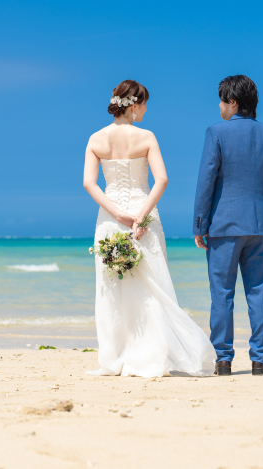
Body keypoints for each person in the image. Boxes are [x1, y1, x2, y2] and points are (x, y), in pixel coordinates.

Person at [83, 79, 216, 377]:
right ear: (134, 105)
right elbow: (162, 180)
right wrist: (140, 217)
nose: (145, 110)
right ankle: (151, 355)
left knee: (111, 288)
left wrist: (119, 214)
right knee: (152, 287)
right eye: (144, 104)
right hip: (144, 213)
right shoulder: (146, 137)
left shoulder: (95, 139)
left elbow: (89, 183)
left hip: (110, 219)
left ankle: (114, 358)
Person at [193, 75, 263, 376]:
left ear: (232, 102)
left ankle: (223, 360)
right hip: (261, 225)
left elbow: (206, 181)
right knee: (260, 291)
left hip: (223, 226)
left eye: (222, 101)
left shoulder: (216, 132)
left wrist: (200, 224)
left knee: (222, 292)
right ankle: (260, 360)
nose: (220, 107)